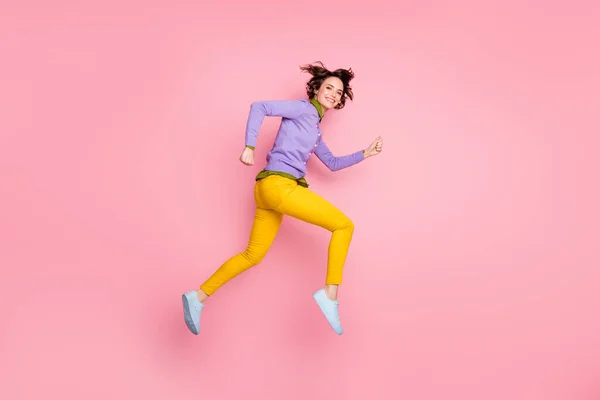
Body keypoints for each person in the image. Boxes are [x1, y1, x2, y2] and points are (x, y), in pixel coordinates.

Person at [182, 61, 383, 336]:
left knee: (252, 255)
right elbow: (260, 107)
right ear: (317, 88)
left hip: (268, 191)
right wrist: (249, 146)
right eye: (329, 88)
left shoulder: (314, 130)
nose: (334, 94)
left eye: (338, 93)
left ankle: (198, 296)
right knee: (344, 226)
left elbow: (332, 163)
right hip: (279, 186)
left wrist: (365, 153)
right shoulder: (302, 109)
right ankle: (330, 294)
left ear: (339, 102)